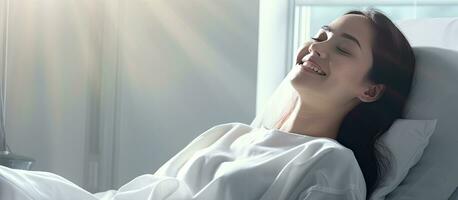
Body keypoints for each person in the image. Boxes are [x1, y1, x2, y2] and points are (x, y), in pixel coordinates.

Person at [0, 8, 415, 200]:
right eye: (322, 35)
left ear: (370, 90)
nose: (317, 48)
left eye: (343, 48)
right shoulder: (232, 135)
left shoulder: (328, 165)